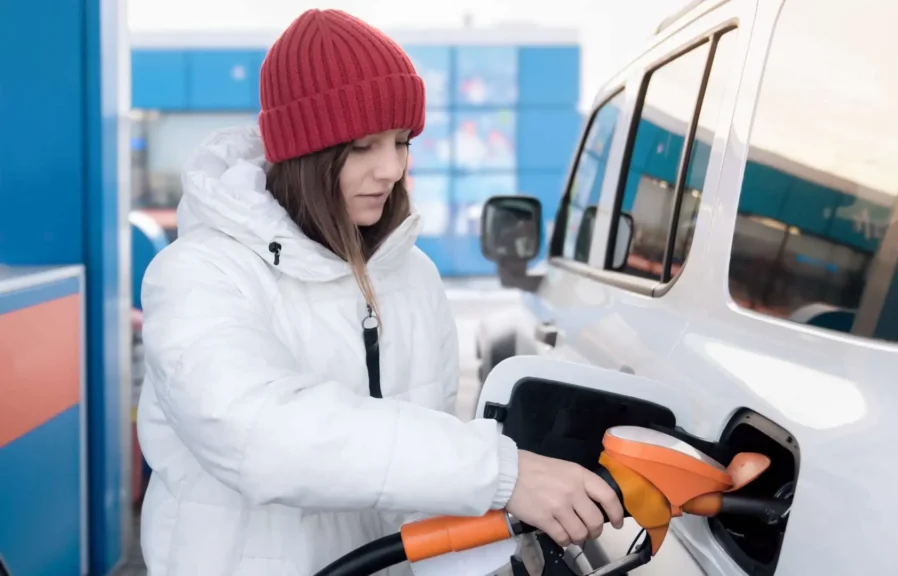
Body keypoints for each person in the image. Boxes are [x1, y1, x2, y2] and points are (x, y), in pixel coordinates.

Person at [135, 8, 623, 576]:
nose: (391, 168)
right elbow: (259, 433)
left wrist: (498, 546)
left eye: (401, 141)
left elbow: (419, 481)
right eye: (364, 145)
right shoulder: (200, 273)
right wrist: (498, 471)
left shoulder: (411, 275)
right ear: (303, 152)